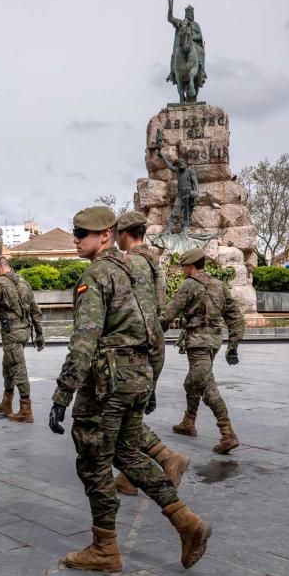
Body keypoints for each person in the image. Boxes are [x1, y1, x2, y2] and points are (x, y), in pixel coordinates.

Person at [48, 206, 212, 572]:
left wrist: (63, 393)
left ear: (106, 234)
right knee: (128, 454)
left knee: (93, 461)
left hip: (106, 384)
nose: (75, 240)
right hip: (137, 375)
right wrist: (150, 379)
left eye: (82, 234)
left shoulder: (96, 275)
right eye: (75, 233)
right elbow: (154, 328)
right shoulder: (140, 268)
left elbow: (84, 341)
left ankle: (104, 548)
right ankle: (186, 522)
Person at [112, 211, 190, 497]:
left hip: (130, 353)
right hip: (151, 349)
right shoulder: (154, 263)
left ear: (124, 233)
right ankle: (131, 477)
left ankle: (161, 465)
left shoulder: (129, 263)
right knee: (129, 421)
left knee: (115, 422)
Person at [160, 248, 245, 454]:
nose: (182, 270)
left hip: (197, 341)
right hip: (214, 341)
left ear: (190, 266)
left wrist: (153, 332)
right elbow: (235, 316)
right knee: (199, 378)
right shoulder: (219, 285)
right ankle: (188, 422)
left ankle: (227, 433)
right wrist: (233, 344)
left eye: (183, 266)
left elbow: (169, 312)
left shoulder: (189, 284)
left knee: (203, 384)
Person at [0, 255, 45, 422]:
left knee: (17, 368)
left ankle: (25, 411)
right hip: (24, 332)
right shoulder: (24, 282)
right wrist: (39, 334)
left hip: (12, 334)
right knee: (7, 365)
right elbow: (35, 311)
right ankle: (6, 403)